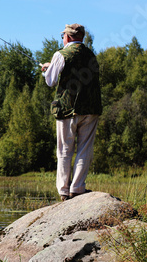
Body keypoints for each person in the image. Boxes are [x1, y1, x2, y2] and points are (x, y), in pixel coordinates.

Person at [41, 23, 102, 201]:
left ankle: (63, 190)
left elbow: (51, 81)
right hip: (91, 109)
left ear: (67, 37)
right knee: (85, 149)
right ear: (82, 37)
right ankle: (77, 188)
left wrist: (47, 70)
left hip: (67, 109)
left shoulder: (61, 54)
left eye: (63, 36)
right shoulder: (92, 55)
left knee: (64, 150)